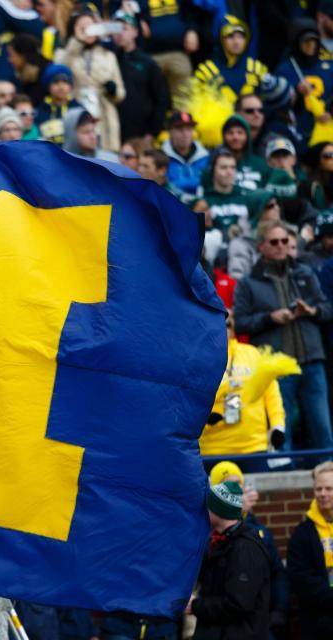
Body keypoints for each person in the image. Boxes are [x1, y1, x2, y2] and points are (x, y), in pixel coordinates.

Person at [233, 219, 333, 453]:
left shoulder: (305, 273)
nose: (281, 246)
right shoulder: (247, 283)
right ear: (261, 246)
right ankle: (282, 482)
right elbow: (240, 323)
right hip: (275, 369)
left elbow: (328, 309)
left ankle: (328, 483)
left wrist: (312, 311)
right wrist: (270, 318)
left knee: (323, 430)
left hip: (311, 362)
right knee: (282, 433)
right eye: (274, 241)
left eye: (285, 241)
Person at [199, 312, 286, 464]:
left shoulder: (252, 353)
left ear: (233, 329)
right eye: (217, 325)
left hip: (253, 447)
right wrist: (204, 420)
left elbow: (272, 394)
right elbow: (189, 401)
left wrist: (278, 426)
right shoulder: (198, 359)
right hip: (212, 450)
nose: (223, 329)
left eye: (227, 325)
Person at [187, 481, 270, 639]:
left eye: (207, 506)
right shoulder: (220, 540)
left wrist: (195, 606)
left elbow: (238, 603)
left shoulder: (245, 548)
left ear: (218, 509)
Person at [54, 7, 125, 153]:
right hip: (77, 110)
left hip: (104, 115)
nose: (88, 31)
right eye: (83, 27)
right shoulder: (65, 53)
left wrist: (113, 90)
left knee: (106, 156)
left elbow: (121, 94)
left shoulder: (108, 56)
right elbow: (58, 70)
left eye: (92, 27)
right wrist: (77, 40)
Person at [286, 461, 333, 639]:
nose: (322, 494)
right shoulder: (302, 533)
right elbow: (300, 577)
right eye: (318, 489)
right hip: (318, 623)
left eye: (329, 488)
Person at [112, 10, 168, 144]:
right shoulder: (108, 60)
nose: (119, 33)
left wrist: (152, 132)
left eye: (124, 28)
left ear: (135, 32)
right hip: (114, 134)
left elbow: (161, 99)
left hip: (141, 135)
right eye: (115, 29)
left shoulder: (148, 63)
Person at [276, 18, 333, 148]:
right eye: (306, 41)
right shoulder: (285, 69)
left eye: (314, 40)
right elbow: (277, 104)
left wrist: (330, 111)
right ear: (296, 43)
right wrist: (296, 91)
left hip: (327, 130)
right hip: (300, 130)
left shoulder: (329, 67)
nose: (311, 45)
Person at [194, 15, 268, 104]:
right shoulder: (206, 71)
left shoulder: (257, 69)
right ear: (220, 40)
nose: (236, 42)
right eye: (230, 37)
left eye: (241, 37)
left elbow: (268, 102)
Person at [140, 0, 197, 110]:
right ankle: (156, 126)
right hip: (149, 54)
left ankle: (182, 124)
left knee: (183, 98)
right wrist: (139, 20)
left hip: (178, 51)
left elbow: (191, 13)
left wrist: (192, 30)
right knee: (150, 97)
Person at [163, 110, 209, 199]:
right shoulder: (160, 158)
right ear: (170, 132)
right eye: (180, 129)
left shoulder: (206, 157)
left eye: (189, 129)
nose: (185, 134)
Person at [220, 114, 270, 190]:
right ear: (224, 137)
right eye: (230, 133)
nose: (235, 137)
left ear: (248, 136)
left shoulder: (261, 164)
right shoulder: (216, 165)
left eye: (240, 132)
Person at [34, 63, 78, 147]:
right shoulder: (40, 112)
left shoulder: (77, 109)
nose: (61, 86)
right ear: (48, 86)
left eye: (65, 82)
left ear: (70, 86)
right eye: (56, 82)